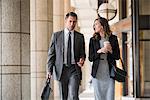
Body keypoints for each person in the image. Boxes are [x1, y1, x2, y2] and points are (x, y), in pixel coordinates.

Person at [47, 12, 86, 100]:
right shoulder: (56, 36)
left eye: (74, 22)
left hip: (74, 69)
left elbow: (82, 53)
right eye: (70, 21)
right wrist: (49, 70)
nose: (72, 24)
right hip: (61, 69)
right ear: (66, 21)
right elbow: (51, 54)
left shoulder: (80, 37)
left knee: (74, 95)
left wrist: (82, 59)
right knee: (63, 96)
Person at [88, 17, 120, 100]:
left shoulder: (113, 38)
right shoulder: (93, 40)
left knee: (110, 97)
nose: (94, 26)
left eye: (96, 24)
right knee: (99, 98)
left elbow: (117, 56)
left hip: (109, 73)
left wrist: (111, 50)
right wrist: (100, 51)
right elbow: (90, 58)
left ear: (102, 26)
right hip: (97, 73)